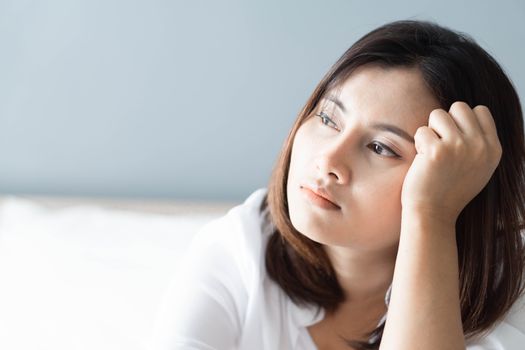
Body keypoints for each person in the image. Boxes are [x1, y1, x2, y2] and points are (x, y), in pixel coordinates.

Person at [151, 19, 525, 349]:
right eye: (329, 119)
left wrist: (432, 214)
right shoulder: (241, 246)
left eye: (381, 148)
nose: (328, 162)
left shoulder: (509, 296)